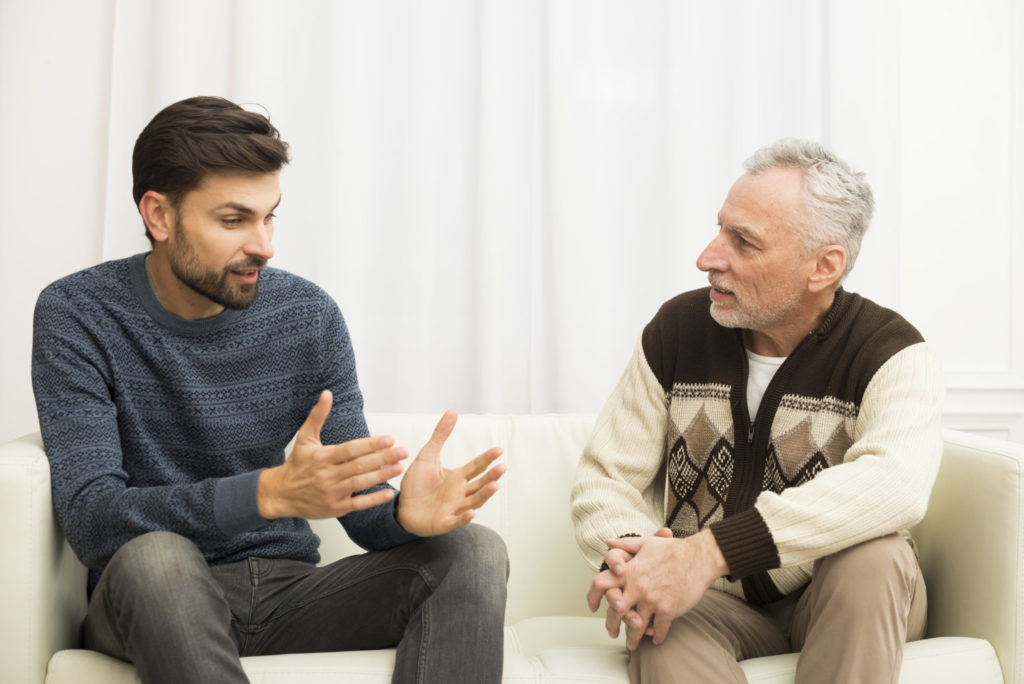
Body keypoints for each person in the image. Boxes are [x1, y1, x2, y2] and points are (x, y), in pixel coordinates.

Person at [31, 95, 509, 684]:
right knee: (159, 558)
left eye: (269, 216)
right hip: (154, 595)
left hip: (290, 593)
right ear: (159, 216)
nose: (264, 244)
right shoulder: (79, 313)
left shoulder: (307, 315)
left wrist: (404, 516)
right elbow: (91, 520)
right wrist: (265, 494)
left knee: (472, 551)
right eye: (234, 220)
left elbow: (361, 509)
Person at [570, 138, 943, 683]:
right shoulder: (677, 332)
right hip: (713, 605)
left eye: (743, 241)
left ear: (823, 266)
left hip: (842, 596)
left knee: (874, 557)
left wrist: (710, 552)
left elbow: (896, 484)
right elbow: (606, 478)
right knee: (656, 621)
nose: (708, 258)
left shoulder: (890, 351)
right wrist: (638, 564)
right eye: (720, 229)